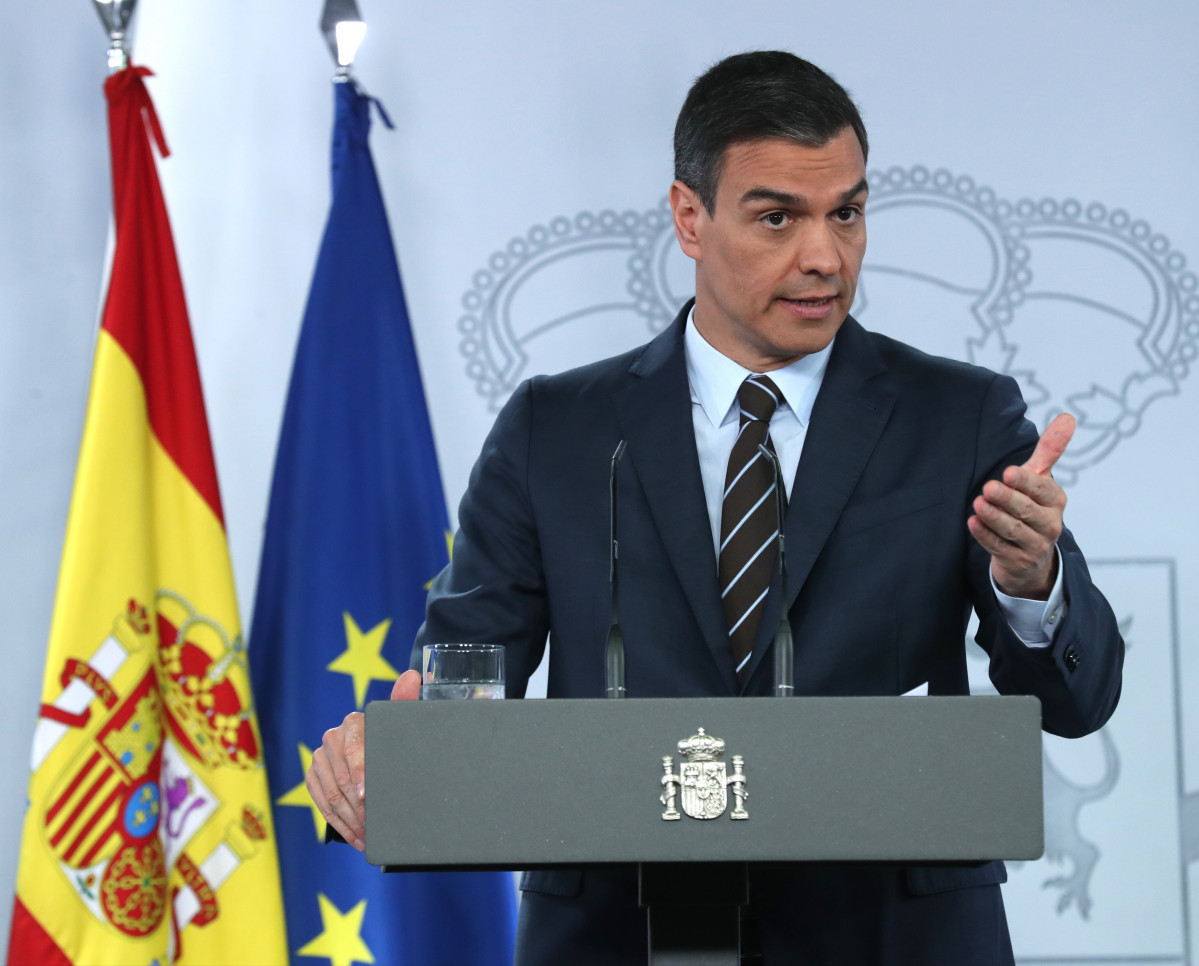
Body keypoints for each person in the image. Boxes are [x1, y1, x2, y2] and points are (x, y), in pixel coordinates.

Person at [308, 50, 1123, 964]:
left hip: (891, 933)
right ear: (688, 217)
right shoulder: (557, 428)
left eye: (845, 213)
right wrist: (405, 747)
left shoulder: (960, 417)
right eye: (777, 217)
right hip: (617, 931)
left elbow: (1077, 699)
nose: (823, 256)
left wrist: (1033, 581)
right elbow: (468, 669)